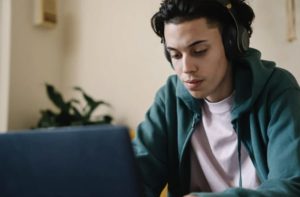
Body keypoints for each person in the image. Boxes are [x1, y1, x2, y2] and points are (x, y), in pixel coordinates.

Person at [132, 0, 300, 196]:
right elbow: (136, 176)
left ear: (232, 44)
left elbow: (291, 187)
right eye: (176, 55)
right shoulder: (170, 97)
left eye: (199, 51)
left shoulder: (278, 91)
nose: (186, 68)